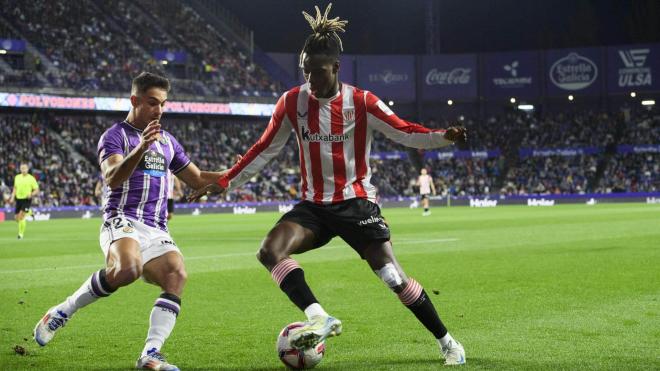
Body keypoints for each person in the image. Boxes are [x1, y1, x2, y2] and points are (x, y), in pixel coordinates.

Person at [192, 4, 468, 365]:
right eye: (305, 71)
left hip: (356, 204)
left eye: (318, 72)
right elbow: (264, 149)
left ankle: (448, 342)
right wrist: (226, 179)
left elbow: (404, 131)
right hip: (313, 208)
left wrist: (442, 138)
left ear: (336, 67)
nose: (311, 79)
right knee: (269, 251)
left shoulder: (362, 101)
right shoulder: (292, 102)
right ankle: (319, 317)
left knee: (392, 276)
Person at [33, 72, 227, 371]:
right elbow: (112, 178)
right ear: (135, 100)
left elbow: (198, 179)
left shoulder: (168, 142)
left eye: (163, 104)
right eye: (152, 103)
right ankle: (62, 311)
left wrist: (236, 172)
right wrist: (141, 148)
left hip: (155, 226)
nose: (159, 110)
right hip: (121, 219)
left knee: (177, 274)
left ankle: (150, 354)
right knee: (127, 269)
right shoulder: (114, 136)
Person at [10, 163, 39, 239]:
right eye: (22, 168)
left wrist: (31, 194)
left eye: (24, 168)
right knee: (16, 218)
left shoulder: (31, 178)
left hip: (26, 199)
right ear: (20, 169)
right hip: (18, 199)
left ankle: (20, 234)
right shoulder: (17, 177)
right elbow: (15, 188)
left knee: (21, 217)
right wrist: (12, 197)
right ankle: (29, 212)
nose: (23, 170)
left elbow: (37, 190)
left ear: (27, 169)